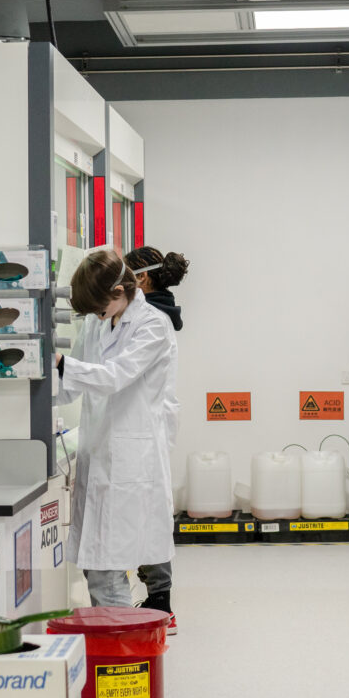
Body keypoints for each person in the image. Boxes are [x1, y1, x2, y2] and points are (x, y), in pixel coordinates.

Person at [57, 248, 178, 608]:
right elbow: (74, 378)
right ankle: (122, 645)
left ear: (120, 292)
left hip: (131, 457)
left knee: (107, 565)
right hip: (99, 450)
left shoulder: (154, 326)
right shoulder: (97, 322)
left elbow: (113, 377)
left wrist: (62, 364)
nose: (95, 315)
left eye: (100, 307)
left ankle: (124, 651)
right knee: (97, 563)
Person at [124, 246, 188, 623]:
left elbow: (121, 373)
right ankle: (156, 595)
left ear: (142, 278)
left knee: (150, 508)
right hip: (147, 422)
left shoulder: (151, 319)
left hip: (147, 423)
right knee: (149, 506)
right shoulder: (151, 314)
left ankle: (160, 601)